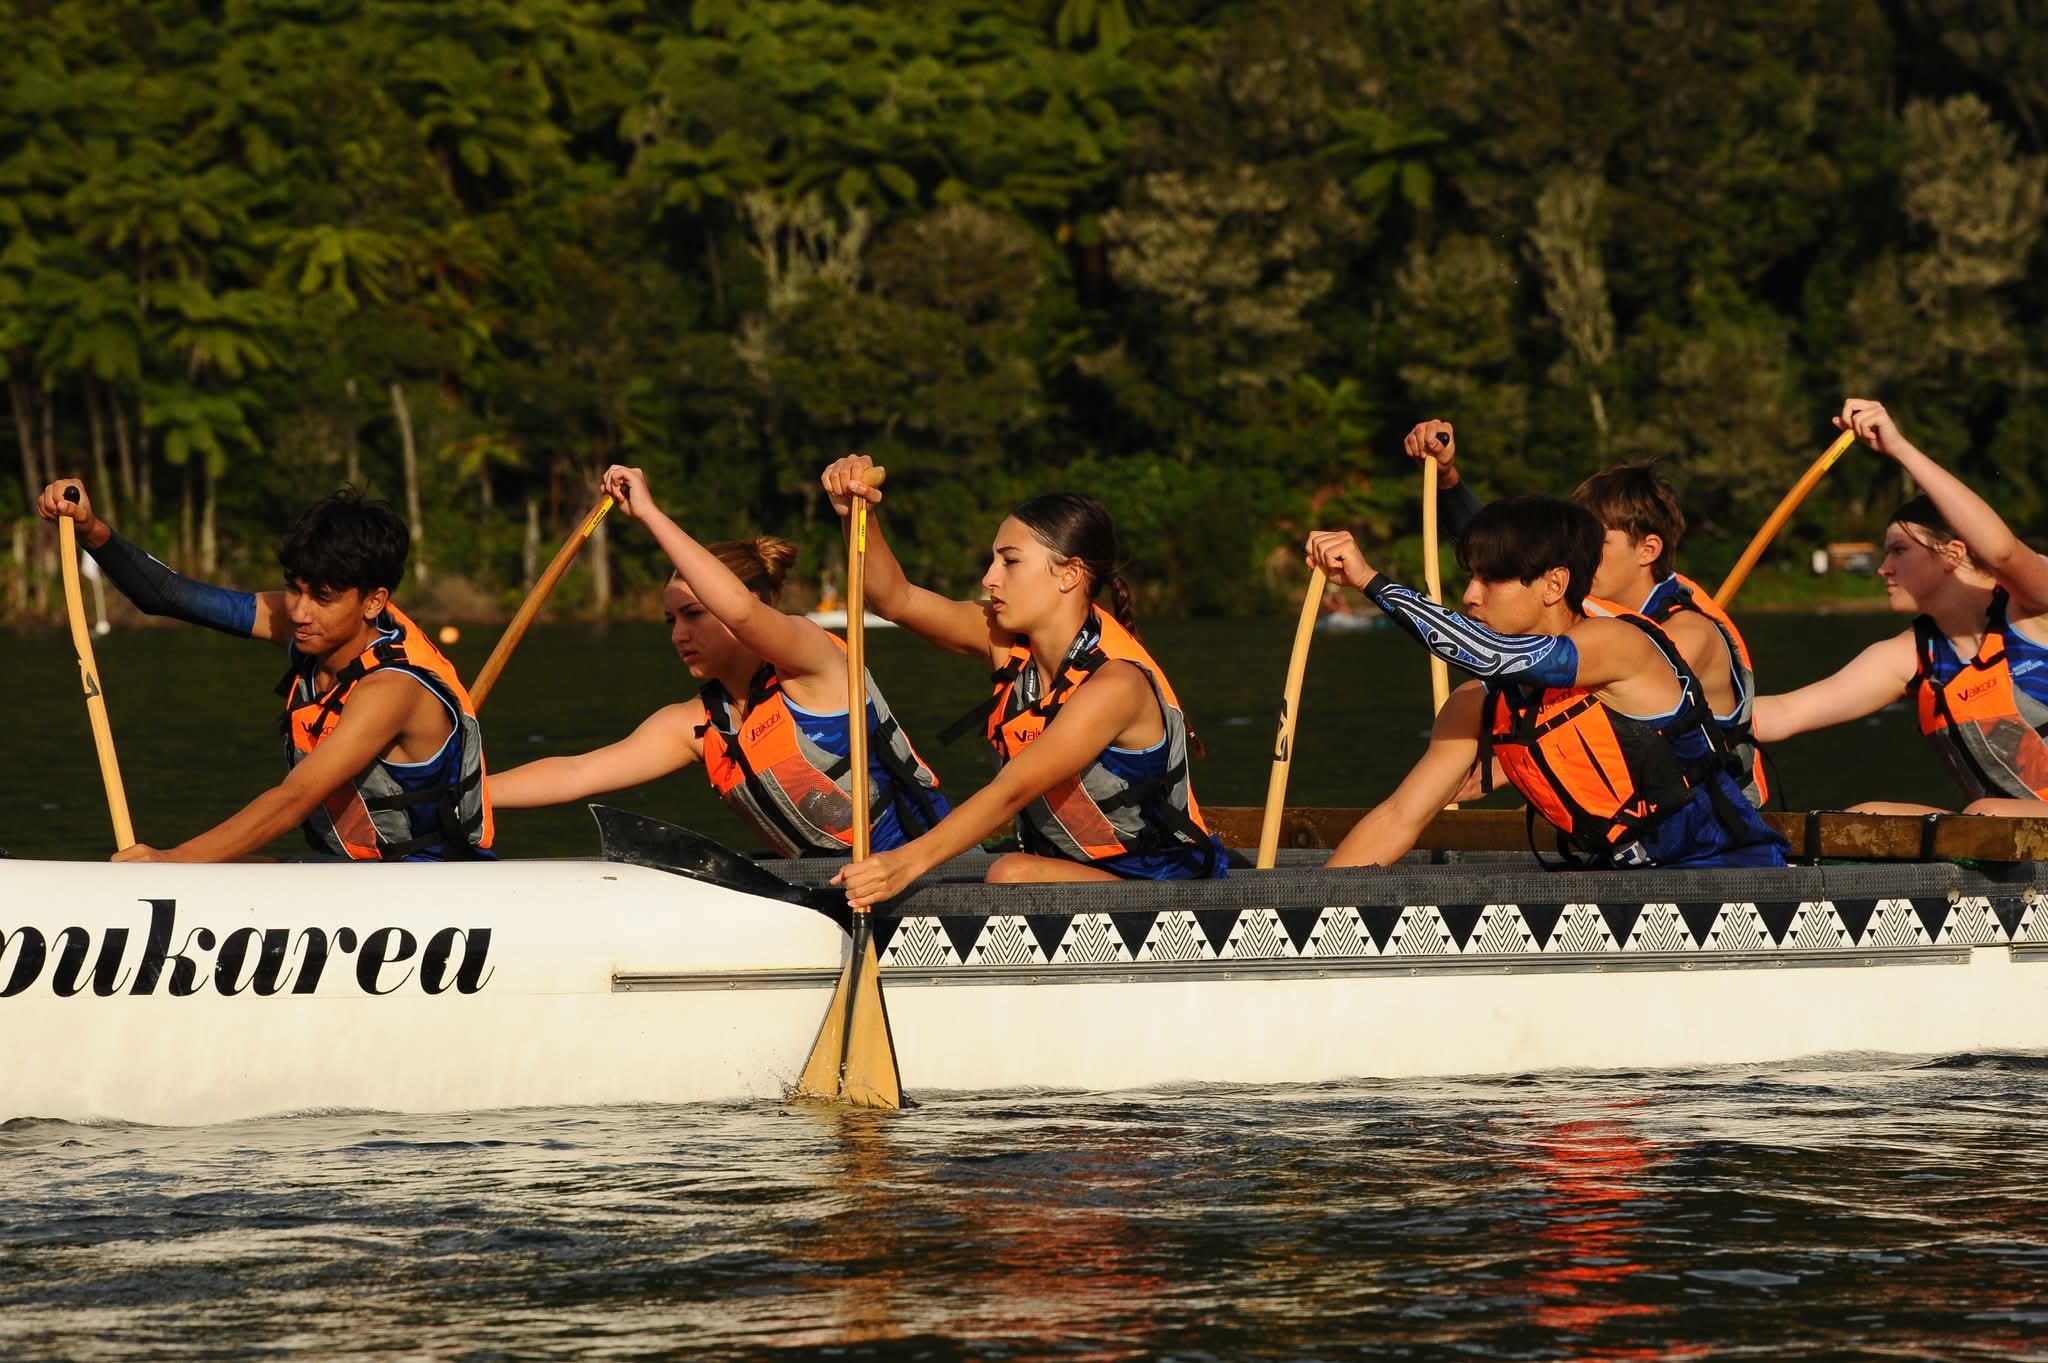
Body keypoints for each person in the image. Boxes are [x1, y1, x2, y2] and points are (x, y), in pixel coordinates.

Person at [818, 455, 1227, 908]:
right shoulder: (1007, 643)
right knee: (1010, 869)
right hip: (1072, 870)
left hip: (1168, 885)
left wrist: (903, 865)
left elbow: (1012, 790)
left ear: (1069, 574)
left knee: (1009, 871)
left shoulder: (1117, 685)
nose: (989, 577)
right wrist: (860, 516)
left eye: (1009, 561)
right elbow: (895, 599)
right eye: (993, 560)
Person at [1307, 495, 1787, 869]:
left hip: (1728, 876)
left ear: (1554, 585)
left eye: (1491, 579)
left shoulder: (1617, 645)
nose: (1471, 596)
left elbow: (1491, 654)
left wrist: (1370, 580)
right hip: (1618, 888)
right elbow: (1398, 818)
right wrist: (1311, 909)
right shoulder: (1475, 703)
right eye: (1470, 577)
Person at [489, 466, 950, 856]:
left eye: (693, 614)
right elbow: (578, 772)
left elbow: (743, 614)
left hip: (931, 879)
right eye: (670, 620)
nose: (678, 635)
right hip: (832, 892)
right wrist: (470, 793)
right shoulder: (700, 726)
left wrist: (649, 514)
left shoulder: (814, 663)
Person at [36, 479, 491, 862]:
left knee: (198, 866)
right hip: (347, 879)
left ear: (373, 600)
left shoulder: (391, 689)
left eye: (323, 597)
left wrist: (171, 862)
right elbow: (170, 596)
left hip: (428, 888)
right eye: (295, 589)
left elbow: (293, 801)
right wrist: (93, 532)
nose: (298, 611)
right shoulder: (310, 628)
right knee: (214, 871)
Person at [1407, 419, 1766, 805]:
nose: (1576, 551)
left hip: (1720, 831)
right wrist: (1447, 479)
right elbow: (1507, 555)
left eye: (1596, 541)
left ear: (1648, 550)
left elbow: (1588, 714)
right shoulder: (1596, 612)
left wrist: (1496, 769)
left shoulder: (1688, 632)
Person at [1752, 399, 2048, 816]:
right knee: (1864, 817)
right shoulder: (1912, 656)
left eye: (1899, 551)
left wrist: (1900, 450)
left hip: (1999, 823)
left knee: (1988, 813)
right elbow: (1783, 714)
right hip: (2006, 838)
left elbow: (2000, 552)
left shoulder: (2034, 607)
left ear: (1952, 553)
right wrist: (1656, 714)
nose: (1883, 568)